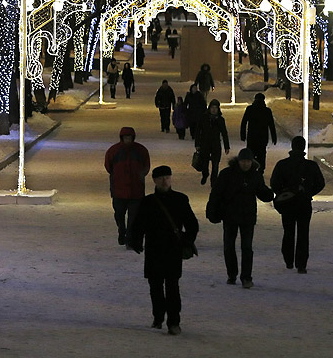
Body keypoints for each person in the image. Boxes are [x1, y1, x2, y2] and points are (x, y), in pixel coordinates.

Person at [130, 165, 199, 336]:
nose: (164, 181)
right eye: (161, 178)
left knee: (172, 286)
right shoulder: (148, 202)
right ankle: (158, 316)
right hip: (154, 249)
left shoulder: (181, 199)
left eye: (167, 177)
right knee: (155, 286)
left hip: (172, 249)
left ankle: (174, 321)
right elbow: (139, 224)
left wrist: (187, 241)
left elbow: (192, 224)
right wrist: (136, 240)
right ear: (154, 180)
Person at [206, 148, 274, 288]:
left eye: (248, 161)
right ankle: (232, 274)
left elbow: (262, 191)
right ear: (238, 161)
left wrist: (272, 194)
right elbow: (216, 193)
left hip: (247, 217)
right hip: (230, 215)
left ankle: (246, 277)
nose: (246, 164)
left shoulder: (255, 176)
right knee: (229, 247)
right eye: (243, 161)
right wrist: (212, 210)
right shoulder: (227, 174)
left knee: (247, 247)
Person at [270, 136, 326, 273]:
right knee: (303, 233)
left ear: (292, 146)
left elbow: (274, 184)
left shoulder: (282, 165)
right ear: (303, 147)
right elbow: (321, 183)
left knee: (288, 232)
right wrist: (308, 193)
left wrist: (283, 194)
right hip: (304, 204)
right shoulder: (311, 166)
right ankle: (301, 264)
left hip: (287, 204)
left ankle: (288, 260)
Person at [104, 126, 151, 247]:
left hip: (136, 190)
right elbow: (108, 166)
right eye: (126, 137)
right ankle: (121, 229)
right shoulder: (114, 151)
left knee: (134, 217)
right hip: (119, 189)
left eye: (129, 137)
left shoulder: (141, 150)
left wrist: (139, 176)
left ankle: (130, 238)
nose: (128, 139)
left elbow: (146, 166)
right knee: (119, 213)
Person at [194, 98, 230, 185]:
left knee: (215, 164)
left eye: (215, 108)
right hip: (205, 144)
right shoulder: (204, 118)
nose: (214, 110)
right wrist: (197, 144)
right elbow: (198, 131)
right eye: (212, 108)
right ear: (209, 108)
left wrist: (226, 146)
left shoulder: (220, 120)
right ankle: (205, 174)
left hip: (216, 144)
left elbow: (224, 133)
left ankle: (214, 181)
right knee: (205, 163)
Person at [240, 92, 277, 172]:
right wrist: (274, 137)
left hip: (252, 136)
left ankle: (251, 169)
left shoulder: (250, 109)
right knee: (261, 155)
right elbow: (271, 125)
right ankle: (261, 169)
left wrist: (243, 135)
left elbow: (244, 122)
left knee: (251, 153)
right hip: (262, 138)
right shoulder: (267, 111)